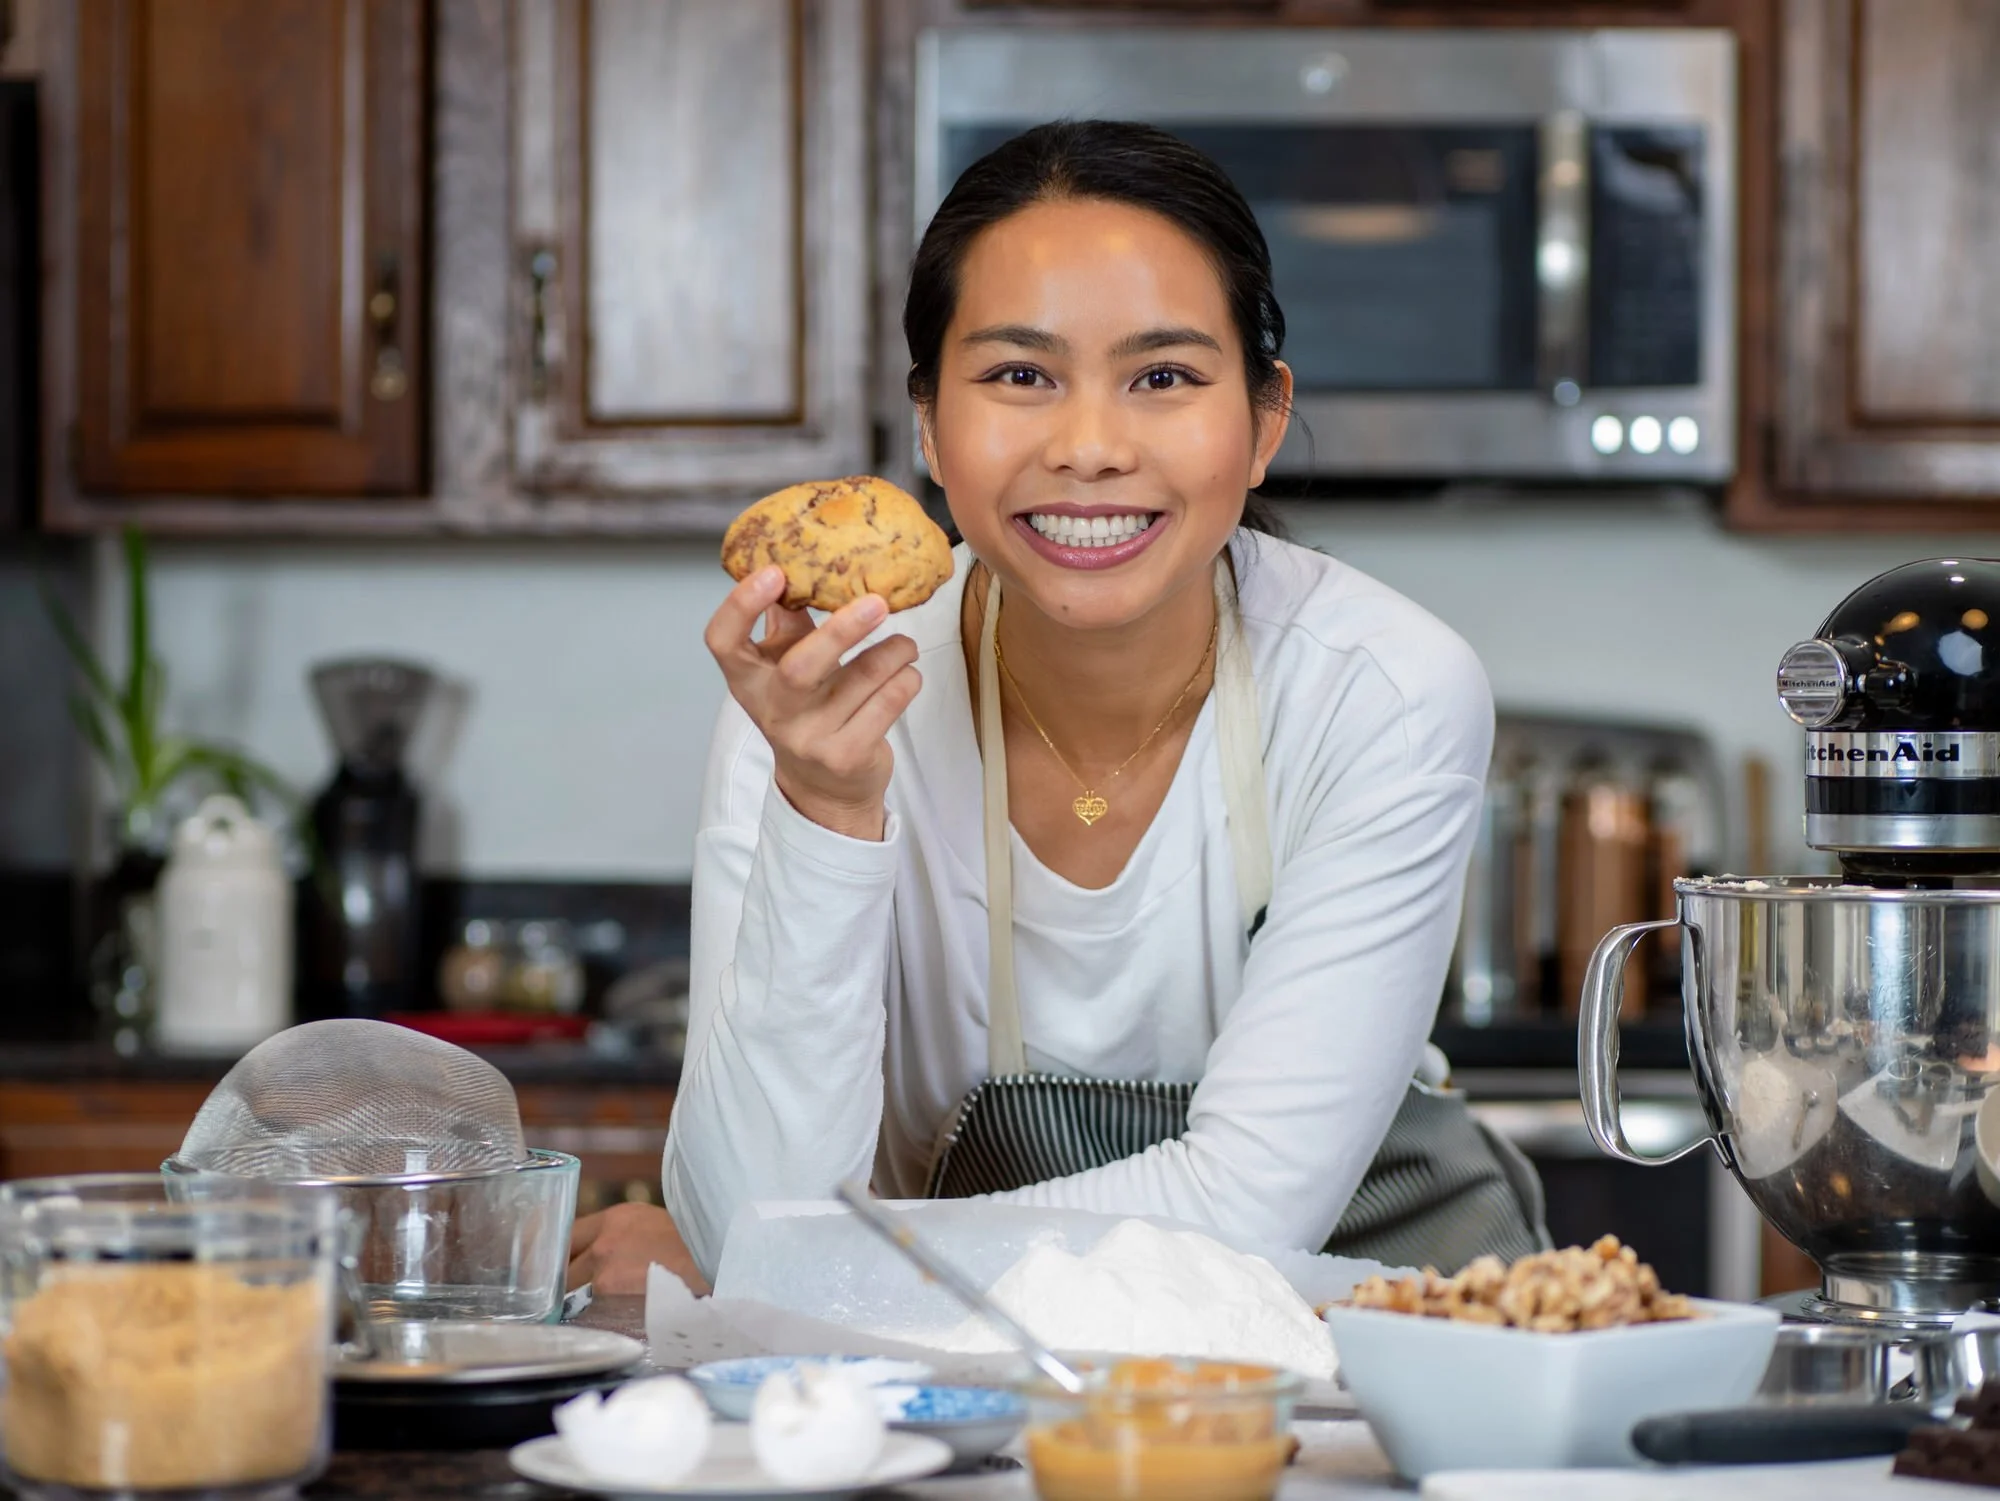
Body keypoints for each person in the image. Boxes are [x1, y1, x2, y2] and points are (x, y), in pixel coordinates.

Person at [568, 121, 1526, 1298]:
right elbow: (751, 1212)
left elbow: (1247, 1207)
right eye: (1019, 376)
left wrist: (818, 1266)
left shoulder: (1379, 690)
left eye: (1163, 377)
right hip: (962, 1392)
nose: (1088, 447)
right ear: (926, 424)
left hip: (1373, 1358)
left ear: (1263, 419)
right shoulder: (817, 704)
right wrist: (822, 807)